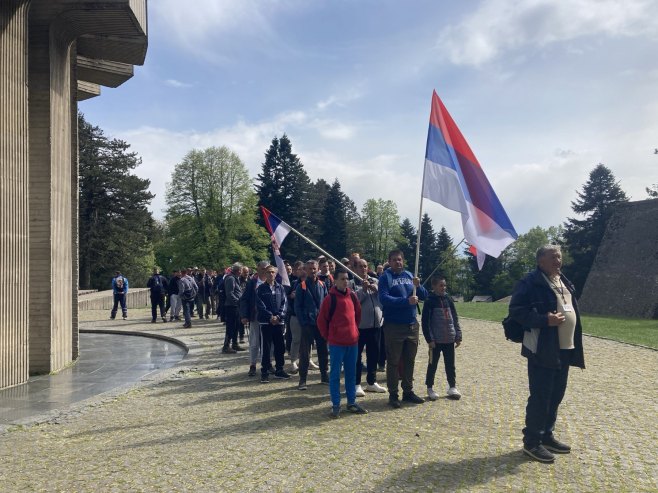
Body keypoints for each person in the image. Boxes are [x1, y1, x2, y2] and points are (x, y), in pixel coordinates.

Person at [509, 245, 585, 464]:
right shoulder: (530, 282)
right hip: (543, 347)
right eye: (553, 257)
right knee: (541, 395)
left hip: (565, 348)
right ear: (540, 260)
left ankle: (546, 435)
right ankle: (532, 442)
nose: (558, 261)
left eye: (559, 256)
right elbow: (516, 311)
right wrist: (545, 320)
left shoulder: (563, 280)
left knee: (556, 395)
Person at [378, 249, 428, 408]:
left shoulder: (409, 276)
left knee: (409, 360)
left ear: (403, 261)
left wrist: (419, 286)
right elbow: (384, 298)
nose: (397, 262)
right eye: (394, 260)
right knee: (393, 361)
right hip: (394, 326)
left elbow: (425, 295)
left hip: (411, 325)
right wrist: (406, 301)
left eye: (399, 259)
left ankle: (408, 391)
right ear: (389, 261)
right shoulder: (386, 278)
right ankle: (393, 394)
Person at [318, 269, 368, 418]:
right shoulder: (329, 299)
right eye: (342, 279)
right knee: (334, 375)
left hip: (352, 342)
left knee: (351, 374)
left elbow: (357, 315)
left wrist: (354, 331)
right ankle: (336, 404)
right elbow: (321, 321)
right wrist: (330, 336)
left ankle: (351, 403)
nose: (345, 281)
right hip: (336, 344)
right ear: (336, 281)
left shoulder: (352, 296)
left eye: (347, 279)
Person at [422, 276, 462, 401]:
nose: (443, 288)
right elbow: (425, 322)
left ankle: (452, 386)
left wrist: (458, 335)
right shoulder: (429, 301)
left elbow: (454, 318)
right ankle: (429, 387)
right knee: (432, 364)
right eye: (440, 285)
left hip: (449, 339)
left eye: (444, 285)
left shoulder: (448, 299)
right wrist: (430, 339)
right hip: (436, 341)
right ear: (433, 286)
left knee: (450, 365)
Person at [294, 259, 329, 390]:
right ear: (305, 270)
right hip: (307, 324)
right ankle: (302, 380)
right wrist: (303, 322)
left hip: (320, 324)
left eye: (314, 268)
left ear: (317, 269)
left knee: (323, 351)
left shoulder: (322, 284)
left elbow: (326, 303)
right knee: (305, 353)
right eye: (309, 269)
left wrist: (326, 320)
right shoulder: (301, 286)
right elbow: (297, 306)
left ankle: (324, 375)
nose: (312, 271)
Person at [353, 258, 386, 396]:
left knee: (374, 355)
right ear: (355, 268)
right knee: (357, 356)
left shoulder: (376, 281)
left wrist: (376, 289)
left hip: (376, 325)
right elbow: (353, 302)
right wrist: (364, 291)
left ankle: (371, 382)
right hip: (360, 326)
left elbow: (383, 298)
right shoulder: (351, 283)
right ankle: (356, 384)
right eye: (360, 266)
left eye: (365, 266)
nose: (363, 268)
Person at [256, 265, 290, 383]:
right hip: (266, 322)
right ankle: (264, 371)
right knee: (266, 348)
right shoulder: (260, 288)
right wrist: (270, 316)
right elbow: (260, 305)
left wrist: (279, 316)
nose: (271, 274)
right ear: (265, 274)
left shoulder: (280, 288)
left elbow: (284, 304)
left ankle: (279, 369)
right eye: (269, 272)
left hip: (279, 322)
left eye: (273, 272)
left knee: (280, 347)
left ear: (276, 274)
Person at [240, 261, 271, 377]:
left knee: (268, 342)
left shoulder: (272, 282)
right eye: (262, 268)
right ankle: (253, 365)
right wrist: (244, 315)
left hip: (269, 317)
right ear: (257, 269)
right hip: (256, 317)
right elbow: (244, 299)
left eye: (266, 268)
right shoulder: (252, 283)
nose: (264, 270)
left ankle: (267, 364)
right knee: (254, 342)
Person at [223, 263, 246, 353]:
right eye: (241, 270)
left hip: (236, 306)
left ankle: (235, 344)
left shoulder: (235, 278)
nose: (242, 272)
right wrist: (237, 301)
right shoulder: (230, 278)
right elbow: (230, 293)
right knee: (230, 327)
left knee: (236, 326)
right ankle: (226, 346)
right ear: (238, 270)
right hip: (231, 306)